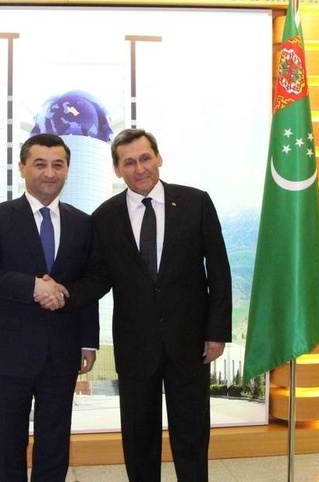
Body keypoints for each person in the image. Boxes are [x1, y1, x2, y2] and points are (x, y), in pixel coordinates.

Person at [90, 128, 233, 482]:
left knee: (192, 434)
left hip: (190, 342)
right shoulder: (104, 217)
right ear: (117, 169)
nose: (139, 168)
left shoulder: (196, 202)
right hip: (135, 345)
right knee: (139, 437)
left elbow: (219, 271)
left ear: (159, 158)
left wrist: (217, 332)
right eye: (129, 162)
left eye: (145, 158)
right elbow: (97, 280)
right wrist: (60, 292)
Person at [0, 132, 100, 482]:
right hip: (8, 353)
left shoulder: (83, 223)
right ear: (22, 167)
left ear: (67, 169)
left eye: (58, 165)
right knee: (9, 444)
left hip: (62, 351)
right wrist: (33, 287)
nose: (50, 173)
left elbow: (91, 283)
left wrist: (88, 340)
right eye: (40, 164)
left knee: (54, 443)